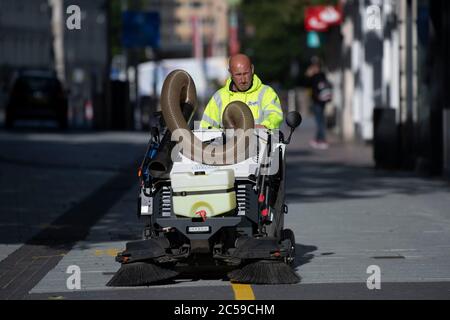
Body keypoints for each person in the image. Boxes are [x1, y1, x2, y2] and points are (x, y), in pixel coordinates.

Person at [200, 54, 283, 130]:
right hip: (228, 146)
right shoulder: (219, 97)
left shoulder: (266, 93)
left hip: (260, 144)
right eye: (238, 75)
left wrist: (265, 126)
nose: (243, 80)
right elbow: (206, 127)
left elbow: (274, 115)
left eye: (246, 73)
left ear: (252, 69)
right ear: (230, 73)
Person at [305, 56, 332, 150]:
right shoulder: (323, 75)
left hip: (317, 101)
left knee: (320, 122)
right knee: (320, 121)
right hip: (322, 100)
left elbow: (308, 85)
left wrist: (309, 76)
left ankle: (322, 140)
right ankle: (318, 139)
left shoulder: (315, 76)